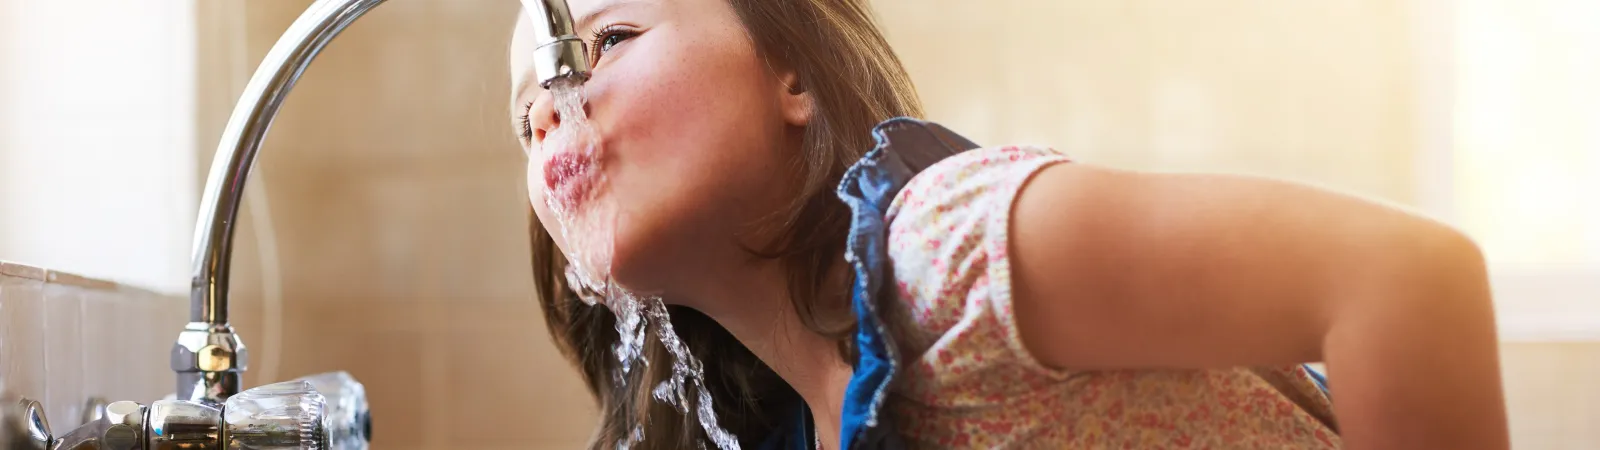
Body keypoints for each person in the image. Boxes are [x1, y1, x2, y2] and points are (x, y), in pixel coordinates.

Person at [507, 0, 1511, 448]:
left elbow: (1408, 280)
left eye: (609, 41)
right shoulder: (798, 431)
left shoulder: (946, 251)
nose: (554, 104)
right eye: (526, 118)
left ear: (795, 76)